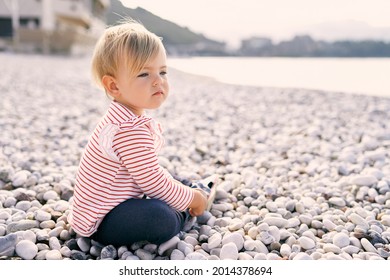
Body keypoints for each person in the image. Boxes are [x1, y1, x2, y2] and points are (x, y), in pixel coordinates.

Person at [68, 20, 215, 247]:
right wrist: (190, 200)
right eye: (144, 74)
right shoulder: (129, 129)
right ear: (114, 86)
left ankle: (189, 187)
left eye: (163, 71)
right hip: (103, 222)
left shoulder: (119, 117)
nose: (158, 81)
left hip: (103, 207)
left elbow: (146, 172)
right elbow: (152, 182)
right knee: (160, 218)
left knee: (163, 177)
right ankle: (187, 208)